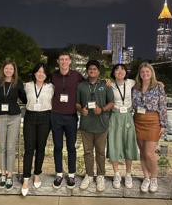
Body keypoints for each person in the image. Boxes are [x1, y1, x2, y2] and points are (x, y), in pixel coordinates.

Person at [76, 60, 114, 192]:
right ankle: (89, 175)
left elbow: (112, 103)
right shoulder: (81, 86)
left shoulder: (105, 85)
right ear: (87, 71)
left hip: (101, 124)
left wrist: (102, 109)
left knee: (100, 152)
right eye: (90, 69)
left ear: (98, 71)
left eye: (94, 69)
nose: (92, 71)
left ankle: (101, 175)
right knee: (87, 152)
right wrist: (82, 110)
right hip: (86, 125)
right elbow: (77, 103)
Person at [50, 52, 85, 189]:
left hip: (71, 115)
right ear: (58, 61)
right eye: (61, 60)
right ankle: (59, 173)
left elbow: (89, 85)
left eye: (66, 59)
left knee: (71, 147)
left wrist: (106, 82)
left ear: (70, 61)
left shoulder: (77, 76)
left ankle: (71, 175)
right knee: (57, 147)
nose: (64, 62)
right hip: (56, 115)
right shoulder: (52, 76)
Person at [132, 62, 168, 193]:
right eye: (142, 72)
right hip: (138, 120)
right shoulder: (135, 88)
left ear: (151, 73)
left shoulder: (158, 87)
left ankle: (154, 178)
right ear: (139, 74)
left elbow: (163, 106)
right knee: (142, 152)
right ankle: (146, 178)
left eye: (147, 72)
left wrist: (163, 124)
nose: (145, 74)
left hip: (153, 121)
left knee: (149, 153)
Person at [21, 62, 54, 196]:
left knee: (41, 147)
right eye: (38, 71)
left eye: (43, 72)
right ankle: (26, 178)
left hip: (45, 117)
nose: (41, 74)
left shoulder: (52, 87)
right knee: (29, 149)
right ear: (34, 73)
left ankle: (37, 174)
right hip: (30, 117)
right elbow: (22, 99)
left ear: (46, 74)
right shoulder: (27, 86)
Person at [0, 59, 27, 191]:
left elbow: (24, 100)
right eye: (6, 68)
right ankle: (2, 173)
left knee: (11, 148)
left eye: (11, 69)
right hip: (0, 117)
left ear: (14, 71)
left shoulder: (18, 83)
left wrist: (24, 90)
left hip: (14, 117)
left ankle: (10, 175)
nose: (8, 71)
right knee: (2, 147)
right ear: (3, 69)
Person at [107, 63, 139, 189]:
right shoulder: (110, 85)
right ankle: (116, 174)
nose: (120, 71)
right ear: (113, 72)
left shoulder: (131, 82)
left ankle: (128, 174)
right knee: (114, 144)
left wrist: (158, 82)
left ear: (126, 72)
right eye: (117, 69)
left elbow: (146, 81)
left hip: (128, 117)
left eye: (122, 69)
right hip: (114, 116)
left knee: (129, 143)